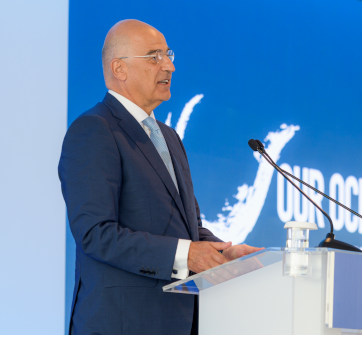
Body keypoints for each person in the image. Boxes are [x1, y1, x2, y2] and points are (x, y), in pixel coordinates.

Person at [59, 19, 262, 335]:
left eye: (168, 55)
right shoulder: (95, 129)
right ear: (119, 68)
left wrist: (222, 252)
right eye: (154, 56)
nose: (169, 66)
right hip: (122, 324)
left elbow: (187, 227)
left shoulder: (168, 137)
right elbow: (95, 234)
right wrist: (187, 255)